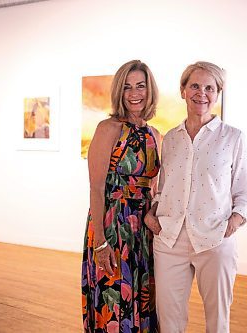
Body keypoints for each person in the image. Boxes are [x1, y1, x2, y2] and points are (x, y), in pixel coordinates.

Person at [144, 61, 247, 333]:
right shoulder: (170, 138)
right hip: (170, 239)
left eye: (210, 87)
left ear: (218, 94)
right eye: (194, 85)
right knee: (169, 321)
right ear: (183, 90)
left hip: (215, 238)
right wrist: (153, 212)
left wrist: (236, 220)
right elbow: (164, 187)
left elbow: (244, 190)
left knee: (217, 321)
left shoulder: (233, 138)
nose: (201, 93)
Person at [81, 60, 161, 332]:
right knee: (114, 299)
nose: (134, 93)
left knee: (143, 298)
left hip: (144, 229)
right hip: (113, 224)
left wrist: (153, 213)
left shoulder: (155, 134)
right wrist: (101, 242)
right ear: (119, 91)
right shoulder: (109, 128)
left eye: (140, 86)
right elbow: (95, 187)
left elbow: (156, 187)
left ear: (150, 90)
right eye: (127, 87)